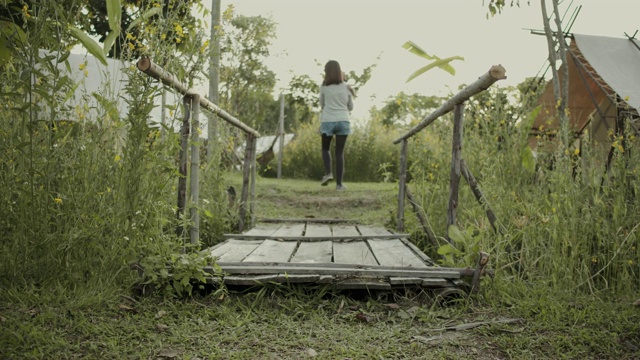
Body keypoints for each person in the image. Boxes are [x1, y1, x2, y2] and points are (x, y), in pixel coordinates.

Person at [318, 60, 354, 191]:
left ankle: (328, 173)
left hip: (328, 120)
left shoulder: (324, 87)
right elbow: (350, 106)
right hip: (343, 121)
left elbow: (322, 104)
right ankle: (339, 185)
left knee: (325, 148)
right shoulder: (346, 86)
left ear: (327, 72)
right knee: (339, 153)